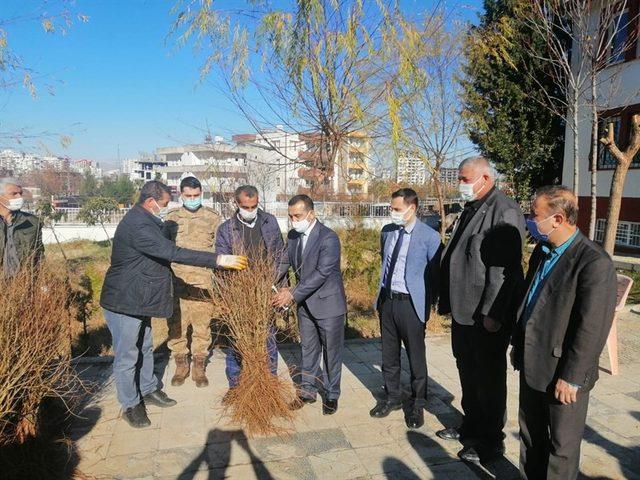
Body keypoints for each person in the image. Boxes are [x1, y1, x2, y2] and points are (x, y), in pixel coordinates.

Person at [100, 181, 248, 428]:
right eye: (165, 203)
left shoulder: (146, 219)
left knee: (145, 346)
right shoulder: (138, 225)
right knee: (127, 356)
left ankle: (147, 389)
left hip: (140, 297)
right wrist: (219, 260)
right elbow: (174, 253)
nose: (167, 207)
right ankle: (130, 404)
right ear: (151, 202)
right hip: (124, 299)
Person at [512, 186, 616, 480]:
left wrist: (571, 377)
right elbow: (531, 299)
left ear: (557, 219)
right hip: (533, 362)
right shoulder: (543, 252)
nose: (530, 220)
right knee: (531, 437)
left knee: (561, 448)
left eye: (535, 215)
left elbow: (592, 327)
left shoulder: (593, 262)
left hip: (563, 372)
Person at [437, 156, 525, 462]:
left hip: (484, 315)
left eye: (464, 179)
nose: (459, 184)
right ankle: (471, 425)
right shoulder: (472, 207)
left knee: (488, 377)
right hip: (464, 310)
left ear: (485, 178)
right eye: (459, 178)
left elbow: (504, 271)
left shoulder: (504, 211)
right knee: (467, 371)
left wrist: (493, 313)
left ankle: (491, 440)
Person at [369, 188, 441, 429]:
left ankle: (418, 403)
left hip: (411, 304)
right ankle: (392, 397)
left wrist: (428, 306)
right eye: (392, 208)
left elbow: (434, 275)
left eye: (397, 209)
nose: (392, 212)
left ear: (412, 208)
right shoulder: (387, 232)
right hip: (388, 301)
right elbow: (385, 262)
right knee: (389, 355)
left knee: (416, 357)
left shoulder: (430, 237)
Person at [273, 194, 346, 415]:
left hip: (328, 306)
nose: (294, 220)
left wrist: (292, 294)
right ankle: (307, 391)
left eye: (298, 215)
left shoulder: (328, 238)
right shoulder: (294, 236)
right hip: (305, 305)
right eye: (291, 216)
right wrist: (270, 281)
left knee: (331, 353)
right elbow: (285, 261)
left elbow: (322, 273)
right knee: (308, 349)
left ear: (311, 214)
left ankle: (332, 394)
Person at [215, 185, 284, 398]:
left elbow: (280, 254)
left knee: (268, 338)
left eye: (254, 206)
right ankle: (235, 386)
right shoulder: (226, 229)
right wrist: (227, 295)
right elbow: (221, 264)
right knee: (238, 340)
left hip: (266, 290)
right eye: (246, 207)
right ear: (237, 204)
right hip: (239, 292)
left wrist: (275, 283)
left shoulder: (269, 221)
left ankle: (269, 382)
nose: (251, 210)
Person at [164, 176, 221, 388]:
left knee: (202, 328)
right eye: (188, 196)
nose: (192, 199)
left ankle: (199, 367)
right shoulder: (171, 219)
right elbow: (163, 248)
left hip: (203, 284)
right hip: (177, 282)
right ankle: (180, 365)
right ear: (181, 195)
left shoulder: (213, 217)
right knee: (176, 327)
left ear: (201, 194)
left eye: (196, 196)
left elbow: (219, 248)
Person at [0, 177, 44, 277]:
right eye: (14, 194)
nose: (19, 198)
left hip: (22, 282)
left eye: (20, 193)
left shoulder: (32, 222)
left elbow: (39, 256)